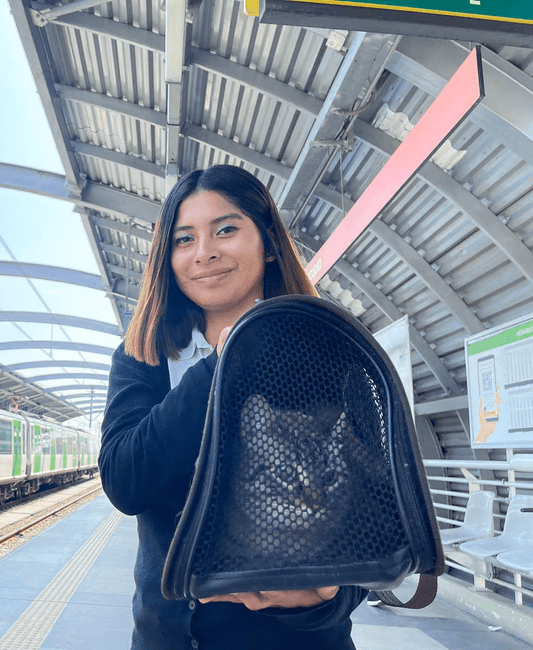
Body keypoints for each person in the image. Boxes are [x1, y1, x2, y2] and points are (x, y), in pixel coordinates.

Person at [99, 164, 368, 649]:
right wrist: (221, 366)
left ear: (267, 242)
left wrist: (330, 597)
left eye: (226, 229)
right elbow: (125, 483)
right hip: (171, 637)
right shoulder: (145, 354)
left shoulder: (330, 351)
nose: (204, 253)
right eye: (184, 240)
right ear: (167, 257)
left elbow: (375, 508)